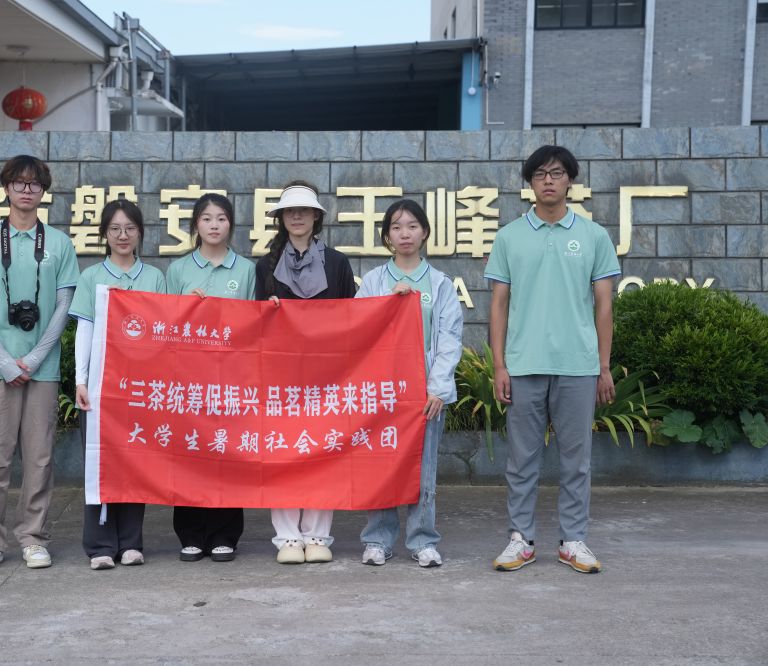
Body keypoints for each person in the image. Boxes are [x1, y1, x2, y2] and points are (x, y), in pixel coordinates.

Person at [484, 145, 620, 574]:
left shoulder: (593, 236)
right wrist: (499, 365)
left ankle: (573, 540)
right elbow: (499, 306)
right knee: (521, 460)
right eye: (540, 174)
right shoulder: (509, 237)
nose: (548, 180)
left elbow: (604, 306)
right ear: (529, 182)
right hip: (523, 365)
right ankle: (520, 540)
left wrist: (603, 366)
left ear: (570, 181)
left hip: (578, 365)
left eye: (557, 173)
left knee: (576, 460)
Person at [0, 155, 79, 572]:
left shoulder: (60, 244)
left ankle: (33, 537)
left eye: (34, 184)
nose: (27, 190)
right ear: (6, 187)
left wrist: (31, 358)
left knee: (40, 459)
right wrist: (6, 362)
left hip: (41, 369)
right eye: (19, 182)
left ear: (44, 191)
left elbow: (64, 307)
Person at [357, 199, 463, 568]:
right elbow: (358, 328)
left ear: (425, 232)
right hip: (383, 391)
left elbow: (449, 338)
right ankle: (377, 539)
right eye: (397, 227)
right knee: (381, 465)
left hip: (424, 393)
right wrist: (388, 303)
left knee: (424, 468)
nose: (405, 233)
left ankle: (423, 540)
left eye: (413, 226)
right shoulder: (374, 281)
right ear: (387, 235)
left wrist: (438, 388)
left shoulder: (440, 283)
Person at [255, 181, 357, 564]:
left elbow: (353, 318)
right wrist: (268, 311)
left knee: (322, 452)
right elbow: (254, 324)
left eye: (304, 210)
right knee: (282, 453)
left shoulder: (338, 263)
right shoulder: (265, 266)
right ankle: (287, 538)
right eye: (290, 211)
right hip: (280, 377)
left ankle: (317, 536)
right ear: (281, 218)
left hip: (327, 377)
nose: (297, 216)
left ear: (316, 216)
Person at [70, 198, 166, 570]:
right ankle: (99, 545)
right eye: (114, 229)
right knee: (99, 461)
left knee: (135, 461)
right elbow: (84, 330)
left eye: (129, 228)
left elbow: (162, 333)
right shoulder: (92, 276)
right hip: (101, 387)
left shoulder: (154, 277)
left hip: (140, 388)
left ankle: (130, 543)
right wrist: (81, 380)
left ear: (140, 232)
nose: (122, 236)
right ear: (104, 234)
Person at [165, 193, 256, 563]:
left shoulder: (246, 270)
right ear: (195, 225)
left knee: (226, 453)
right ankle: (190, 533)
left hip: (231, 380)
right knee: (189, 453)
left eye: (221, 218)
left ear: (231, 223)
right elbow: (164, 325)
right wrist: (185, 307)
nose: (214, 225)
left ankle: (224, 534)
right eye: (206, 218)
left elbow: (255, 325)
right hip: (188, 380)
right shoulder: (178, 271)